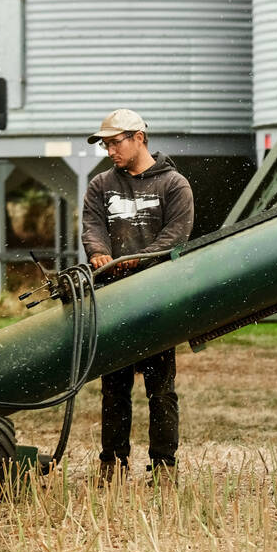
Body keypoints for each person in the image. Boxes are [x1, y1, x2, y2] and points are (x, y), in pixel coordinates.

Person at [81, 108, 194, 482]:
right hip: (113, 298)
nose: (109, 151)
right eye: (106, 145)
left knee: (161, 390)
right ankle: (111, 465)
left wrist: (134, 261)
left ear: (139, 138)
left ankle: (164, 467)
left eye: (115, 143)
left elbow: (175, 236)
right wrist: (100, 254)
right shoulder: (100, 185)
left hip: (157, 299)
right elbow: (93, 226)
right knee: (114, 389)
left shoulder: (174, 185)